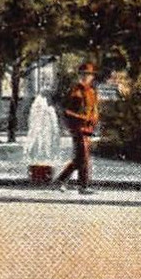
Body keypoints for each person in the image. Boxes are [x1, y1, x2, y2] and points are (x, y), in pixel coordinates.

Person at [54, 63, 100, 195]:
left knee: (79, 158)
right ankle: (83, 186)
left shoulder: (92, 92)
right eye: (84, 75)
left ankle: (61, 180)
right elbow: (66, 111)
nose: (86, 77)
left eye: (89, 75)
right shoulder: (75, 91)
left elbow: (95, 109)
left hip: (88, 128)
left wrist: (94, 119)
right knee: (84, 156)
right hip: (78, 127)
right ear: (80, 76)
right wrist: (81, 118)